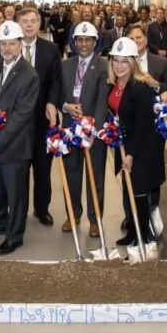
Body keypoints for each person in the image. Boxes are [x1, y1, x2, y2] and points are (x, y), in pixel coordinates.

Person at [0, 21, 40, 255]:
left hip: (14, 144)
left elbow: (21, 115)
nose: (6, 48)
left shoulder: (29, 74)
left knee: (16, 194)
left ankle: (14, 235)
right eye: (3, 44)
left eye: (11, 44)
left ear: (20, 44)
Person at [106, 37, 165, 246]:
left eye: (125, 61)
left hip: (142, 148)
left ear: (133, 63)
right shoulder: (116, 84)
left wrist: (131, 155)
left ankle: (142, 239)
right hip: (126, 145)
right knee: (128, 191)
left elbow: (143, 125)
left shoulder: (140, 87)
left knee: (138, 194)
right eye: (116, 60)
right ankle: (132, 233)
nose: (119, 66)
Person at [58, 22, 110, 238]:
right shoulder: (65, 65)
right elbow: (57, 92)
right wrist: (66, 106)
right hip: (70, 128)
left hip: (93, 132)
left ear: (95, 42)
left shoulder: (104, 65)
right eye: (79, 39)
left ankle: (95, 218)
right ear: (74, 42)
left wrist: (94, 128)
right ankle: (73, 214)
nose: (83, 44)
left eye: (88, 40)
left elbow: (102, 100)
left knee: (95, 176)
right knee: (71, 174)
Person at [18, 7, 63, 228]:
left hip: (43, 120)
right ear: (19, 24)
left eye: (33, 21)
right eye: (24, 21)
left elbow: (56, 80)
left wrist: (51, 102)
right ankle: (19, 210)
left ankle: (42, 209)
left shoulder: (50, 49)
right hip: (17, 122)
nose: (29, 25)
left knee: (42, 169)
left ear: (39, 24)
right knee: (20, 169)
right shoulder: (11, 48)